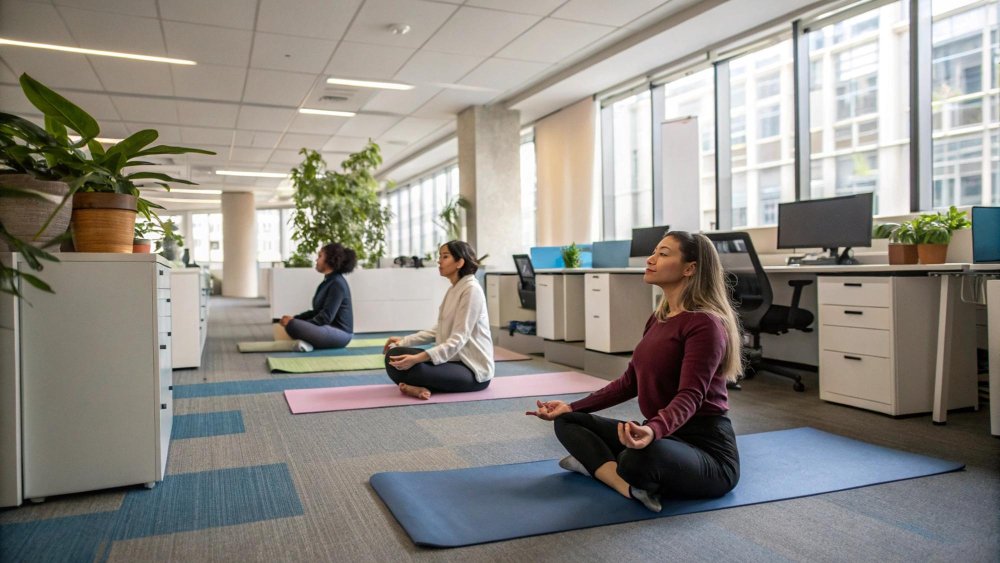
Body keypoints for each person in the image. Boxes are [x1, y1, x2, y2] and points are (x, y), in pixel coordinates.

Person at [526, 231, 742, 513]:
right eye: (654, 252)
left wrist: (653, 430)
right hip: (663, 435)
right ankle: (624, 485)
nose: (651, 260)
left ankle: (600, 467)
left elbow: (691, 395)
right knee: (568, 422)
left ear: (690, 268)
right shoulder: (660, 317)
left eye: (663, 254)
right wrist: (570, 406)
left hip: (707, 451)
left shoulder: (705, 325)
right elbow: (629, 382)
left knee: (636, 459)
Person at [383, 240, 493, 400]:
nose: (439, 261)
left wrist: (417, 358)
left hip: (472, 370)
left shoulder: (471, 290)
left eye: (445, 256)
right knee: (395, 355)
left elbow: (458, 338)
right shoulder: (454, 289)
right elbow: (438, 330)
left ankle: (413, 386)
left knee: (412, 366)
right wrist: (404, 341)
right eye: (440, 256)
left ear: (460, 262)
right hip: (452, 360)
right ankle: (414, 386)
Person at [278, 242, 356, 352]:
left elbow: (326, 317)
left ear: (330, 260)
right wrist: (295, 318)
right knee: (292, 322)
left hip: (341, 334)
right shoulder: (327, 282)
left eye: (320, 256)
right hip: (326, 329)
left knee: (293, 325)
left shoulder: (337, 284)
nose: (316, 260)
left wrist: (297, 323)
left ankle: (308, 342)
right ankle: (307, 342)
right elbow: (316, 312)